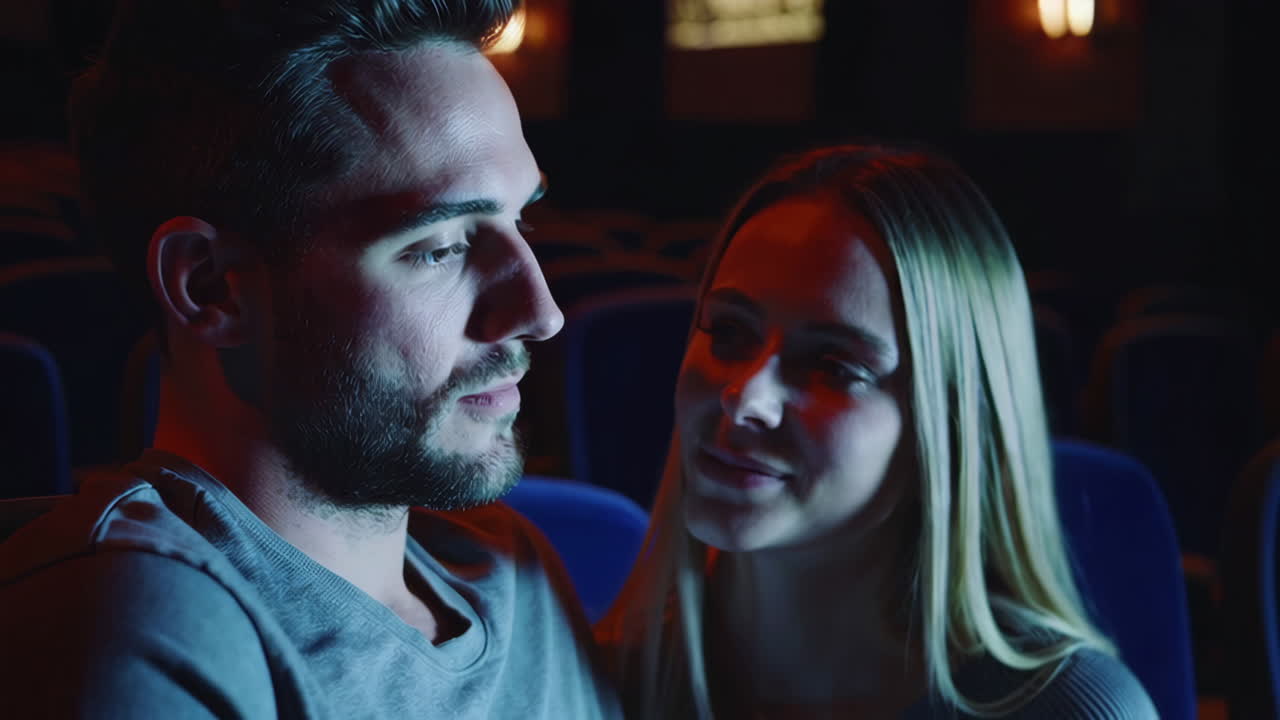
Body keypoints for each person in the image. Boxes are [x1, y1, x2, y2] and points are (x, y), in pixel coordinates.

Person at [0, 1, 621, 717]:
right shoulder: (141, 617)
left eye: (522, 220)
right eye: (442, 246)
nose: (540, 313)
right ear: (211, 286)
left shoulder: (516, 567)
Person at [597, 144, 1158, 718]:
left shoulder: (1070, 709)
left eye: (835, 367)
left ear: (946, 430)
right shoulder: (603, 683)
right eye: (729, 332)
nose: (746, 399)